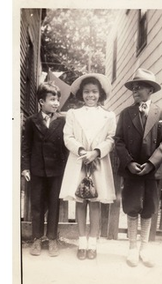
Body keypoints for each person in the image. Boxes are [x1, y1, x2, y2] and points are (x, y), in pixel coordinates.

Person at [114, 68, 162, 267]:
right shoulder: (126, 113)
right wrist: (129, 162)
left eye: (140, 87)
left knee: (148, 208)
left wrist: (150, 164)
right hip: (132, 170)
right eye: (133, 87)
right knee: (131, 207)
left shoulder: (161, 114)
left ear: (150, 90)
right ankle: (131, 248)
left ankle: (144, 248)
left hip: (151, 171)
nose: (135, 91)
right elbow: (118, 140)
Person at [59, 73, 116, 260]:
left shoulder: (108, 115)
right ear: (81, 94)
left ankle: (93, 244)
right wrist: (82, 150)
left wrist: (96, 152)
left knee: (96, 202)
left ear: (100, 94)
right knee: (80, 202)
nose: (90, 95)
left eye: (94, 92)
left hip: (98, 162)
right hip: (79, 161)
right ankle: (82, 242)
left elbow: (111, 139)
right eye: (86, 92)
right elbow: (68, 137)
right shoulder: (74, 114)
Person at [21, 81, 67, 257]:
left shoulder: (62, 120)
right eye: (52, 99)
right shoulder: (32, 121)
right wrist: (25, 167)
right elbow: (26, 146)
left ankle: (53, 238)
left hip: (56, 171)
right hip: (37, 170)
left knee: (54, 204)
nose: (56, 103)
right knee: (37, 205)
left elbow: (65, 146)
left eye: (58, 99)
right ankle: (37, 239)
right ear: (41, 102)